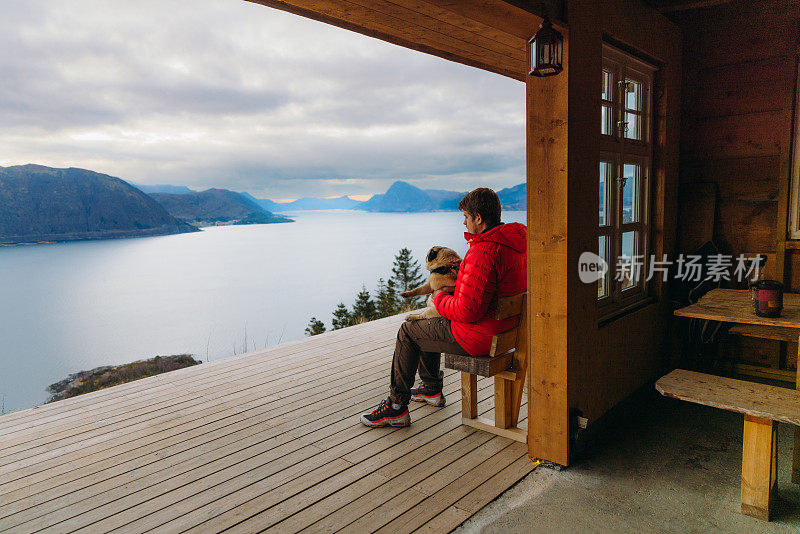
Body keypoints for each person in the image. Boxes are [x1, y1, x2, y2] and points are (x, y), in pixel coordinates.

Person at [360, 187, 527, 427]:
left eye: (467, 217)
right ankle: (430, 390)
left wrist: (439, 297)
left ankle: (396, 407)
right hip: (506, 333)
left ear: (479, 218)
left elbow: (467, 311)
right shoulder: (516, 245)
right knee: (428, 325)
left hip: (479, 337)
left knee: (408, 332)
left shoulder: (484, 250)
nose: (464, 222)